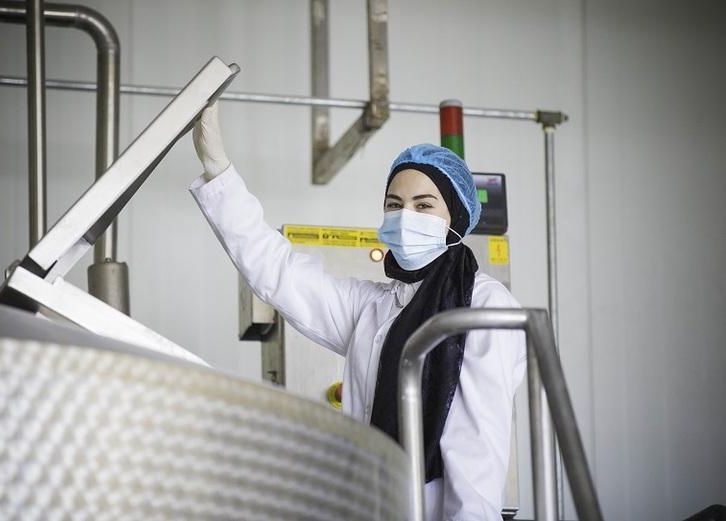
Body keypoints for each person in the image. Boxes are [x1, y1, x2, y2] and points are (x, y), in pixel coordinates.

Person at [189, 103, 527, 521]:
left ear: (455, 216)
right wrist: (218, 170)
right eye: (394, 204)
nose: (405, 217)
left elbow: (477, 448)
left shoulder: (485, 305)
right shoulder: (375, 306)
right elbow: (279, 271)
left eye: (423, 206)